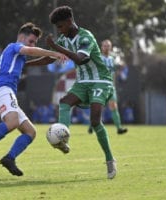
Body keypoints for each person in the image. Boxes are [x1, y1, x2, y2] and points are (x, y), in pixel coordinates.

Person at [27, 6, 117, 179]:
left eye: (60, 26)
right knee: (64, 102)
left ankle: (109, 159)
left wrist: (56, 47)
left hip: (101, 80)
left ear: (69, 22)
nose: (59, 30)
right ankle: (62, 138)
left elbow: (80, 59)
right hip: (82, 82)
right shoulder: (63, 39)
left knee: (95, 120)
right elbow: (49, 57)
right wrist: (26, 64)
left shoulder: (86, 36)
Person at [0, 22, 67, 176]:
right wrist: (54, 53)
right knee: (12, 122)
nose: (33, 44)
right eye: (31, 41)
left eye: (35, 42)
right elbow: (30, 51)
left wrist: (52, 55)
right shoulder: (13, 47)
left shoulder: (18, 58)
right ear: (21, 37)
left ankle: (9, 158)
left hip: (2, 93)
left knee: (30, 132)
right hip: (2, 90)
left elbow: (37, 59)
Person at [88, 39, 128, 135]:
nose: (106, 47)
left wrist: (114, 83)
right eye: (105, 46)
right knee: (98, 108)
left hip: (110, 86)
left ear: (111, 47)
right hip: (100, 85)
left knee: (114, 106)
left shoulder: (113, 58)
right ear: (101, 47)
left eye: (108, 46)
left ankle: (119, 128)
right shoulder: (98, 57)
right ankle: (91, 126)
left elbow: (114, 72)